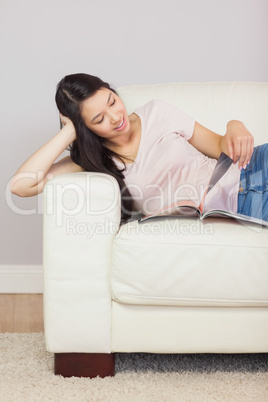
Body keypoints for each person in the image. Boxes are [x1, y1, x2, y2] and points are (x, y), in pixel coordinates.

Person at [10, 73, 268, 223]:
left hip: (253, 166)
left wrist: (235, 125)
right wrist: (69, 131)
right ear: (85, 128)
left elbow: (219, 144)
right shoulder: (94, 160)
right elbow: (21, 186)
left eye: (112, 101)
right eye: (98, 119)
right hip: (240, 203)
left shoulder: (157, 112)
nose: (115, 117)